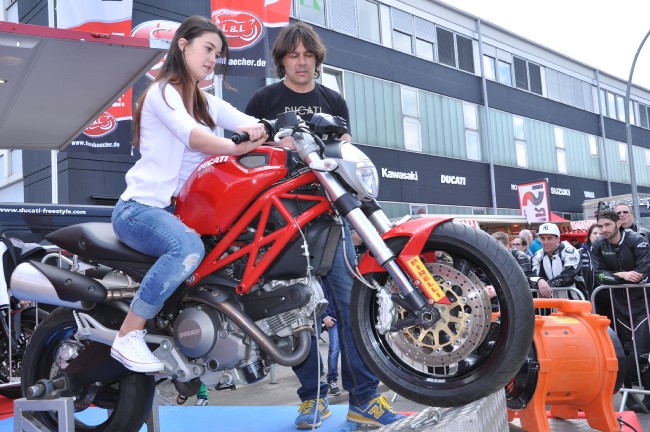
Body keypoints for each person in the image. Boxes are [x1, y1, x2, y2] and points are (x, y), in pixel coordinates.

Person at [245, 21, 404, 429]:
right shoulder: (264, 99)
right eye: (293, 55)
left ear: (317, 60)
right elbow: (246, 153)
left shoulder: (332, 99)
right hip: (281, 218)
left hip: (331, 214)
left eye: (308, 55)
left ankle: (364, 399)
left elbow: (345, 154)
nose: (301, 62)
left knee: (352, 308)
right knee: (294, 310)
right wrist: (274, 144)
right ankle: (311, 398)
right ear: (281, 60)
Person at [110, 15, 267, 373]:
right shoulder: (163, 91)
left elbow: (244, 121)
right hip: (139, 209)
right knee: (187, 248)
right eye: (207, 49)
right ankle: (128, 333)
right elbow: (193, 136)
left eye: (217, 54)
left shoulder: (205, 102)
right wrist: (235, 146)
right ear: (183, 45)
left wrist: (275, 134)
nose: (213, 59)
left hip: (175, 213)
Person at [591, 210, 650, 411]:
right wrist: (622, 275)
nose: (603, 230)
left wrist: (615, 276)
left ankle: (645, 390)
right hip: (618, 305)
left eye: (607, 225)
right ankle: (629, 395)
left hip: (643, 304)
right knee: (623, 353)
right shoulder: (599, 245)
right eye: (600, 226)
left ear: (618, 224)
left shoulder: (637, 240)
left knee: (640, 353)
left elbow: (642, 275)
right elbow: (598, 276)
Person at [530, 223, 581, 300]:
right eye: (542, 238)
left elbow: (568, 277)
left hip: (574, 300)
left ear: (558, 239)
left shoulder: (570, 251)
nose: (545, 242)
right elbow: (531, 276)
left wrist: (546, 285)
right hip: (551, 302)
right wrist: (539, 281)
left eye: (549, 238)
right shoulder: (537, 255)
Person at [321, 286, 340, 396]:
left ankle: (352, 380)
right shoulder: (325, 280)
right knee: (334, 349)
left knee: (350, 350)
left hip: (347, 318)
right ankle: (332, 381)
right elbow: (320, 297)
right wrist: (325, 316)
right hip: (334, 318)